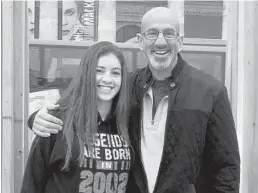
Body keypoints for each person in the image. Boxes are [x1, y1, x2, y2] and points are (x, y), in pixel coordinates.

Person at [27, 7, 240, 193]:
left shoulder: (211, 91)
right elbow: (84, 101)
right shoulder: (128, 87)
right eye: (152, 34)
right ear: (140, 41)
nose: (160, 42)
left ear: (181, 42)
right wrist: (36, 117)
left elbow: (226, 168)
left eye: (169, 34)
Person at [21, 41, 132, 193]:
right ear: (86, 73)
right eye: (99, 71)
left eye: (115, 73)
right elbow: (32, 183)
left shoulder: (128, 123)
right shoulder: (56, 121)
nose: (107, 79)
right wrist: (33, 118)